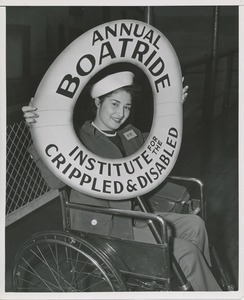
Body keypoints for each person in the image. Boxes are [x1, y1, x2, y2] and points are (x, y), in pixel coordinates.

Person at [22, 71, 221, 291]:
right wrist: (36, 129)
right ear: (98, 102)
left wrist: (174, 109)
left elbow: (162, 144)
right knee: (185, 251)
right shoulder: (78, 139)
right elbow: (55, 181)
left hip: (136, 214)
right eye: (114, 104)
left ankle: (196, 284)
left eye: (126, 107)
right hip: (106, 229)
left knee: (195, 225)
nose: (121, 114)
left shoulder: (131, 133)